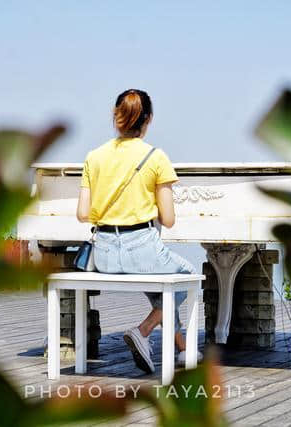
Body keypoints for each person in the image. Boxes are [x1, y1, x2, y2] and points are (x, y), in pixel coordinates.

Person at [76, 89, 202, 374]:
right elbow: (168, 219)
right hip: (142, 249)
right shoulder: (156, 158)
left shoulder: (93, 157)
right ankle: (143, 331)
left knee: (162, 294)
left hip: (105, 255)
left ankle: (183, 349)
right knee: (185, 278)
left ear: (116, 117)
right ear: (149, 119)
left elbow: (83, 213)